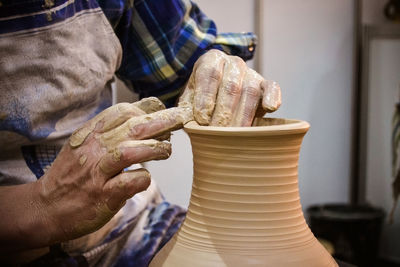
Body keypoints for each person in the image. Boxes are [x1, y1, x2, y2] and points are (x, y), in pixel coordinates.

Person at [0, 0, 281, 265]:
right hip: (13, 241)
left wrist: (216, 75)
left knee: (266, 255)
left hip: (124, 222)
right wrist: (42, 203)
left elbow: (182, 68)